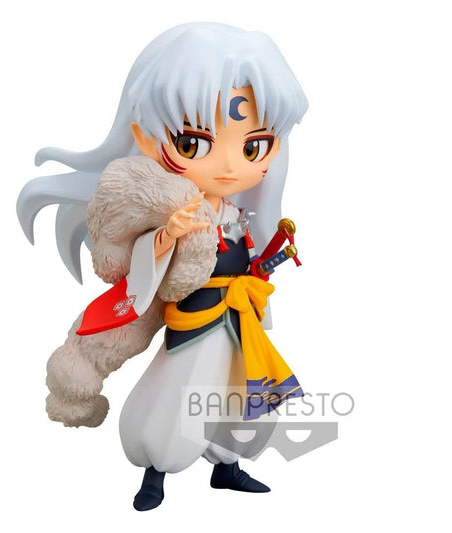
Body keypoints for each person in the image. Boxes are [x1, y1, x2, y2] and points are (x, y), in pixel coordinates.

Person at [17, 22, 308, 511]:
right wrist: (168, 236)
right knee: (178, 392)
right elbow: (148, 270)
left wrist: (270, 260)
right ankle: (154, 472)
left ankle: (227, 465)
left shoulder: (238, 214)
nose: (229, 166)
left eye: (252, 146)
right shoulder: (176, 211)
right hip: (194, 321)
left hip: (238, 321)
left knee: (240, 392)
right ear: (148, 138)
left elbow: (250, 266)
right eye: (194, 143)